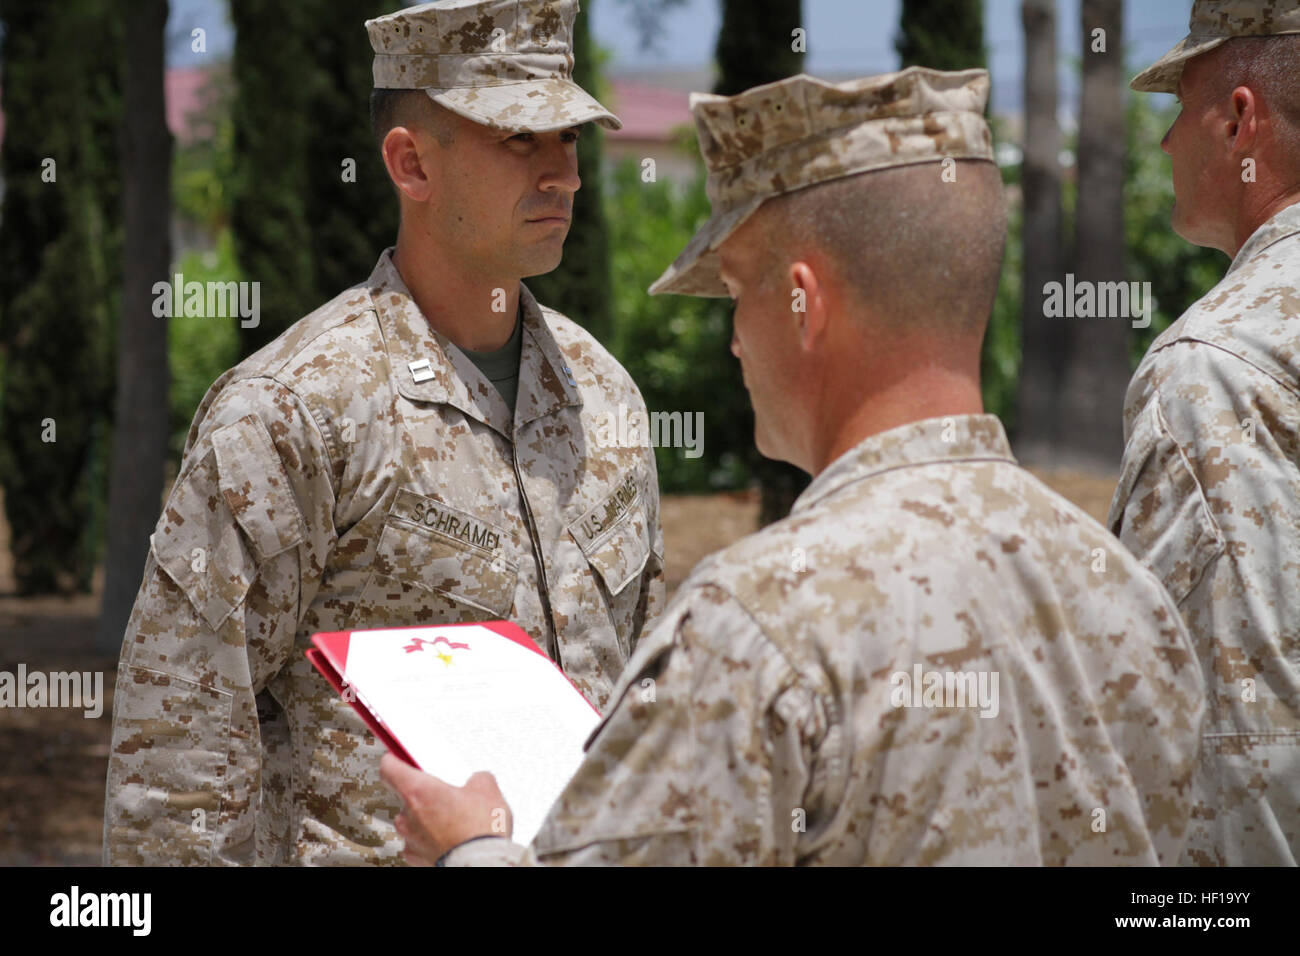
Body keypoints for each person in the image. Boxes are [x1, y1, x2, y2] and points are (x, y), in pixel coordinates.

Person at [380, 67, 1206, 866]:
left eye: (738, 291)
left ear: (809, 303)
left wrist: (471, 847)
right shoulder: (1131, 600)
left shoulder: (758, 626)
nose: (736, 338)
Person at [103, 0, 664, 866]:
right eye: (521, 140)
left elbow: (645, 710)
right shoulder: (294, 411)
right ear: (410, 164)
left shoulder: (606, 399)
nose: (564, 175)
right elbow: (180, 767)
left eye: (571, 140)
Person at [1110, 0, 1300, 866]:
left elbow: (1240, 749)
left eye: (1180, 109)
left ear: (1238, 120)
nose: (1165, 144)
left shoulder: (1215, 365)